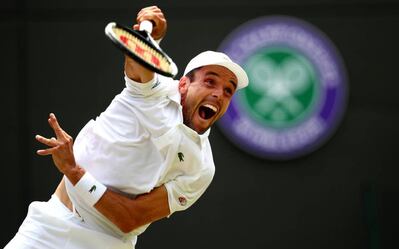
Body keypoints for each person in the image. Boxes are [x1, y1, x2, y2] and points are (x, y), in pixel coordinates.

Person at [5, 5, 248, 249]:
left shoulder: (201, 167)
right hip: (48, 227)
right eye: (210, 82)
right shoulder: (156, 91)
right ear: (183, 85)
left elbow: (129, 218)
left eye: (228, 90)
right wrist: (149, 39)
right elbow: (138, 63)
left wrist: (73, 171)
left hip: (108, 244)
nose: (219, 94)